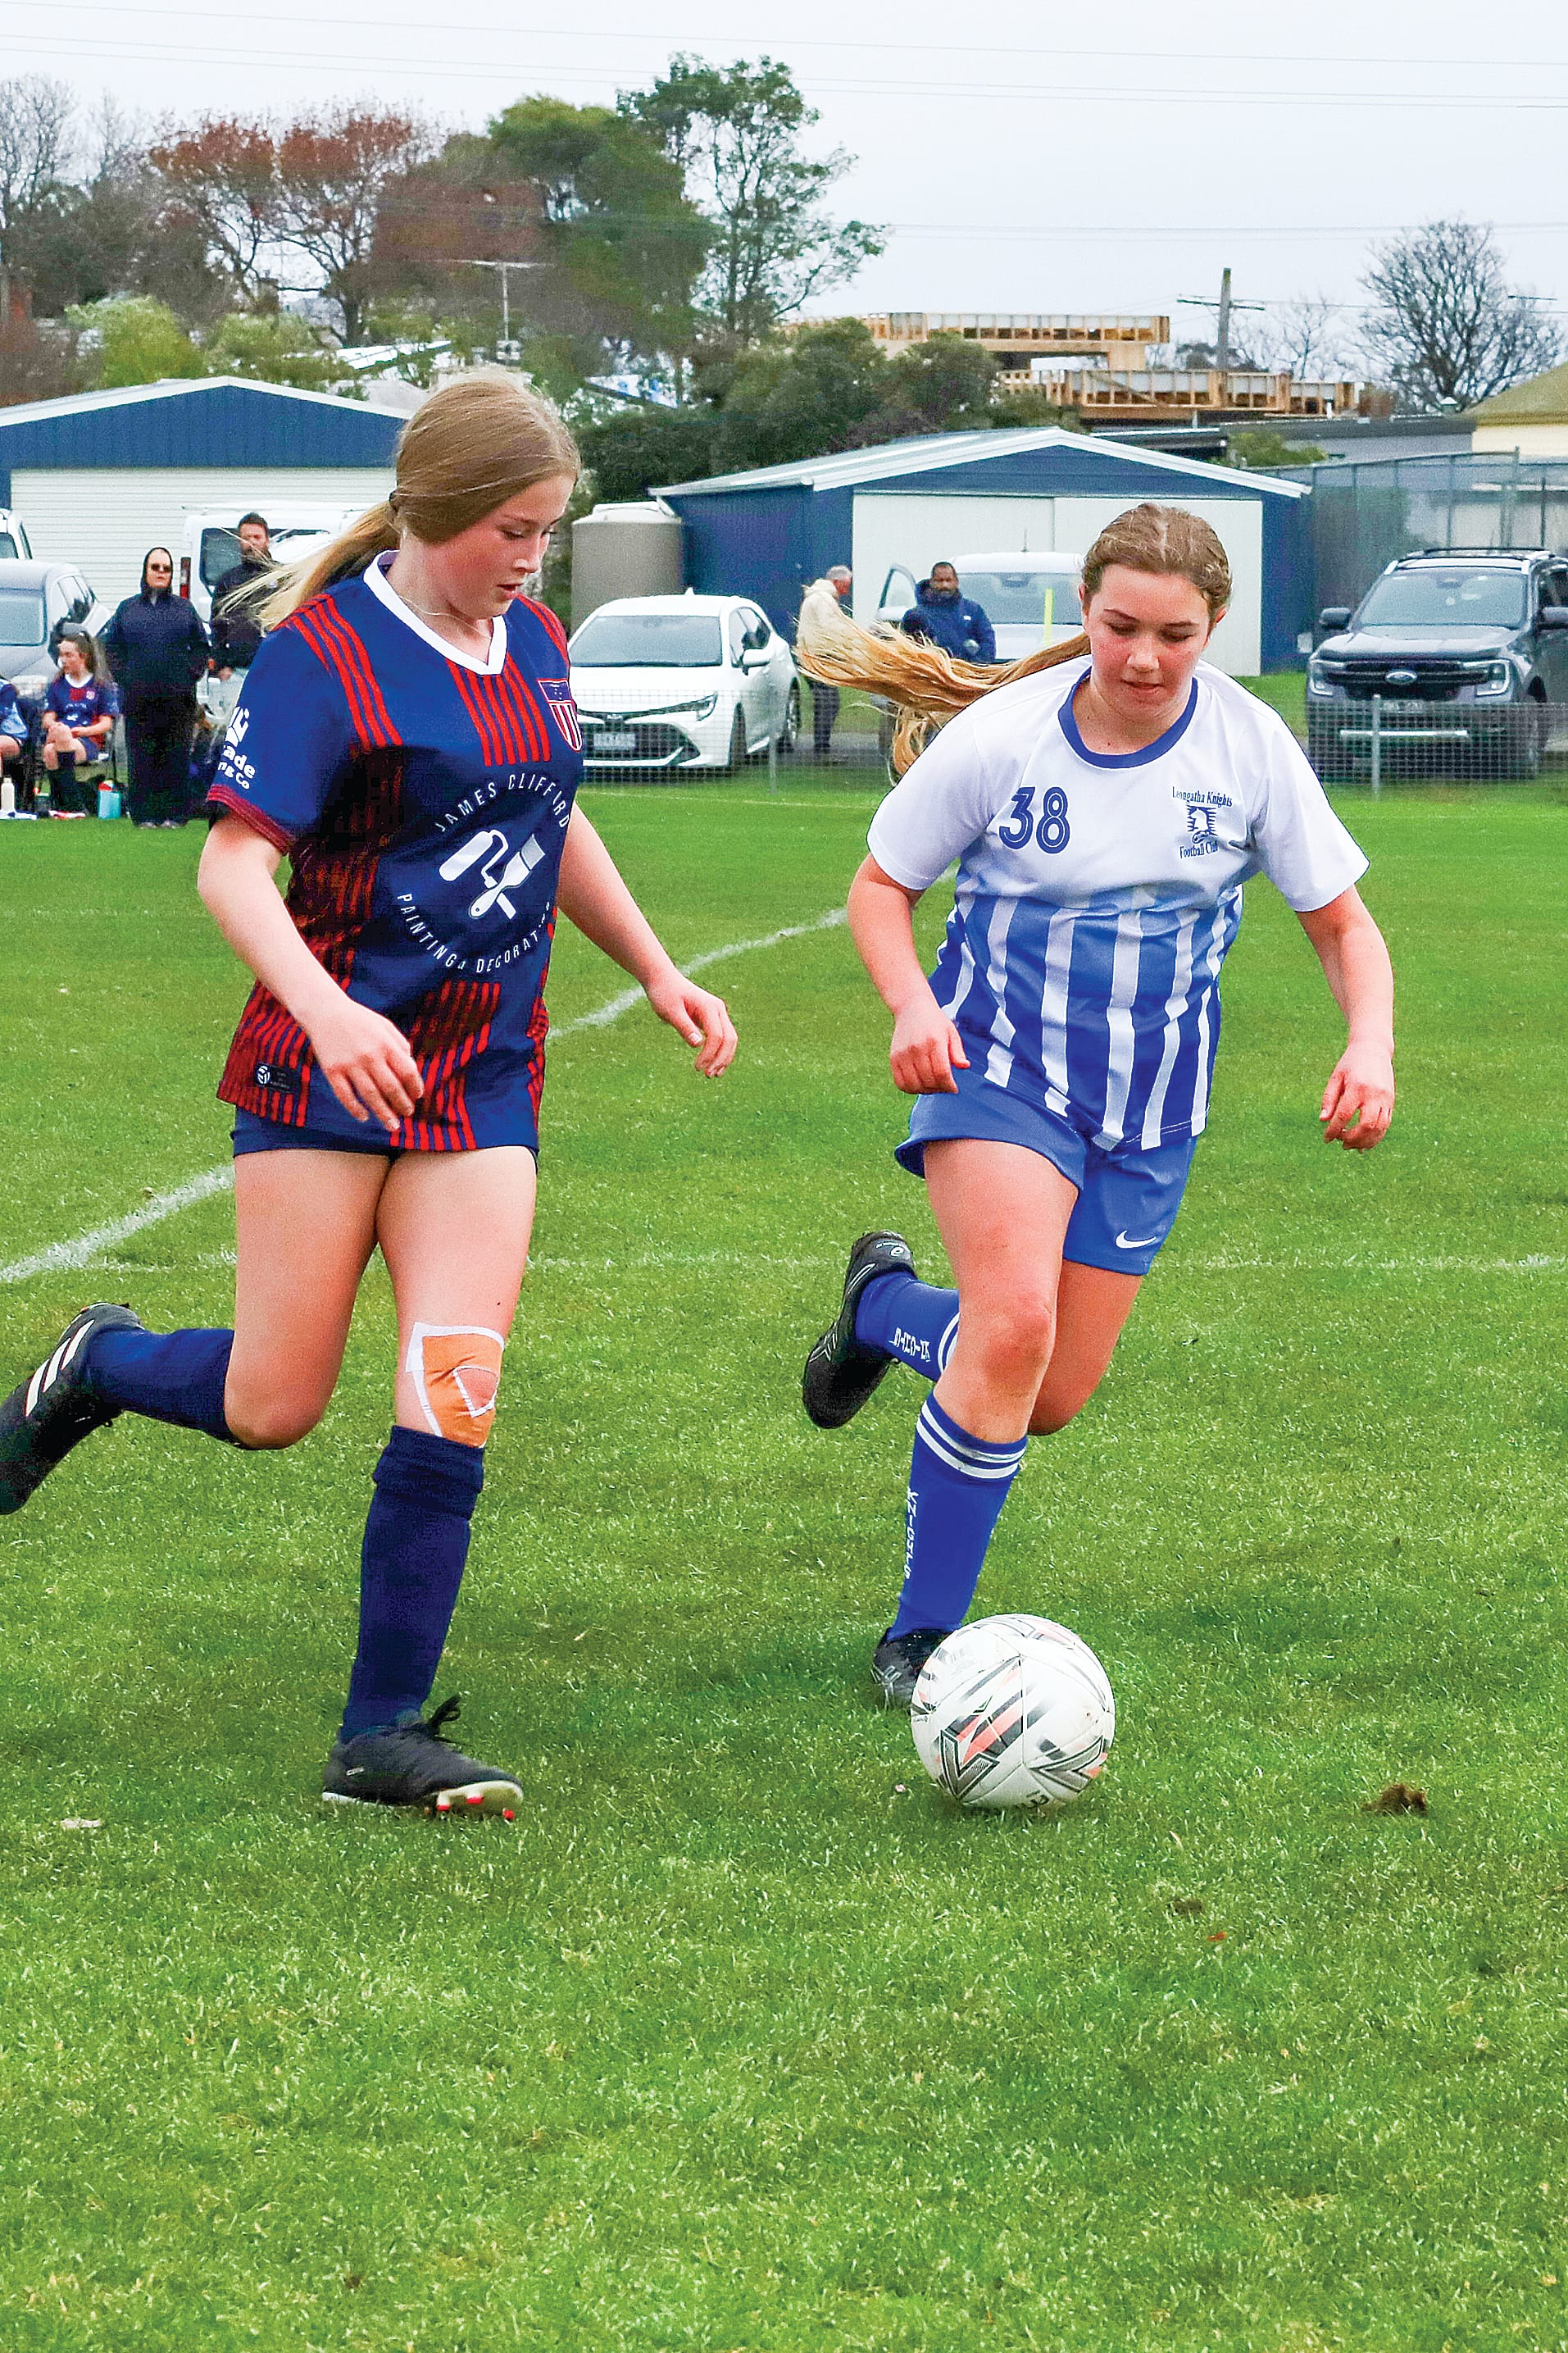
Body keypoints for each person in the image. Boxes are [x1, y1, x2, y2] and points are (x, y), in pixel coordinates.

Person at [0, 373, 738, 1816]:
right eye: (514, 531)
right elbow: (229, 865)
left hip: (479, 1085)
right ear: (435, 512)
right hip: (321, 1077)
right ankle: (97, 1363)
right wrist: (328, 1012)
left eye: (551, 534)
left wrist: (657, 969)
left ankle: (380, 1732)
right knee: (275, 1403)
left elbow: (552, 811)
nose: (534, 561)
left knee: (451, 1391)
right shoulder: (325, 659)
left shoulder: (530, 641)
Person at [796, 503, 1395, 1706]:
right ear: (1085, 609)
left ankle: (882, 1308)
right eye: (1119, 625)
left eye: (1174, 634)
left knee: (1050, 1392)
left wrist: (1369, 1042)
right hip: (999, 1070)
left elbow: (1340, 923)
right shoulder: (1007, 736)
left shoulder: (1250, 745)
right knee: (1012, 1331)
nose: (1141, 657)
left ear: (1213, 626)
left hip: (1153, 1102)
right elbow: (879, 888)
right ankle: (921, 1643)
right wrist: (914, 1004)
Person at [102, 547, 210, 826]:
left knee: (174, 758)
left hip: (178, 700)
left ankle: (174, 815)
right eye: (155, 567)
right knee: (142, 759)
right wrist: (124, 675)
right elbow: (112, 646)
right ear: (145, 571)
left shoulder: (183, 609)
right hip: (139, 700)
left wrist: (190, 675)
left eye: (166, 568)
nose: (161, 573)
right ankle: (144, 815)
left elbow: (200, 646)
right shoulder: (128, 609)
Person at [40, 626, 119, 815]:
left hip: (87, 741)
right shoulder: (58, 684)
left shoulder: (100, 685)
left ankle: (71, 804)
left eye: (69, 655)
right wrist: (57, 727)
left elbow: (106, 724)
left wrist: (80, 732)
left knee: (58, 741)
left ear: (83, 657)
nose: (64, 660)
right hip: (61, 737)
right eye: (62, 655)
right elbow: (48, 718)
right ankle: (60, 805)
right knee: (51, 749)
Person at [209, 512, 274, 723]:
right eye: (247, 537)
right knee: (237, 734)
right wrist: (221, 664)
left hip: (274, 673)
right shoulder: (228, 582)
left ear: (267, 540)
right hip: (236, 673)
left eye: (257, 537)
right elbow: (217, 626)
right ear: (239, 541)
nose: (252, 543)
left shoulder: (282, 576)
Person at [898, 561, 996, 666]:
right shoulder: (915, 616)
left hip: (969, 675)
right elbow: (906, 652)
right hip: (931, 676)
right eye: (939, 581)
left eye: (948, 580)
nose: (944, 585)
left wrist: (974, 667)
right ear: (931, 582)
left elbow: (987, 643)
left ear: (956, 582)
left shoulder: (973, 610)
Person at [802, 564, 852, 759]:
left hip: (812, 657)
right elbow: (831, 629)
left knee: (825, 703)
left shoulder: (819, 597)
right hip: (818, 659)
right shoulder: (825, 600)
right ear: (837, 582)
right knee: (828, 703)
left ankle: (822, 747)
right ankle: (822, 749)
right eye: (847, 585)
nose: (847, 589)